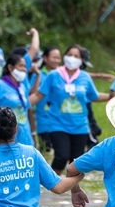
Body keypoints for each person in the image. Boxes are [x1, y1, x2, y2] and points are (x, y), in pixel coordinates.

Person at [30, 45, 109, 173]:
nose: (72, 58)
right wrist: (22, 103)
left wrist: (113, 96)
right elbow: (39, 95)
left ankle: (74, 190)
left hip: (80, 126)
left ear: (82, 61)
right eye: (70, 55)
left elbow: (94, 96)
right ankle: (52, 183)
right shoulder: (54, 75)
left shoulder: (85, 77)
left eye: (76, 56)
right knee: (62, 156)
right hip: (57, 124)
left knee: (76, 162)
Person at [34, 45, 61, 153]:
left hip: (60, 122)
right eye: (54, 57)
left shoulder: (61, 76)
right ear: (45, 58)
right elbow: (33, 94)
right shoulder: (39, 75)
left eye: (58, 58)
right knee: (47, 152)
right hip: (44, 123)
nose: (56, 60)